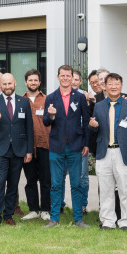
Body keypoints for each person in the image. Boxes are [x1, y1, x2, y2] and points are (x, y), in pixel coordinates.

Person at [0, 72, 35, 231]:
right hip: (0, 150)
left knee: (13, 184)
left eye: (9, 84)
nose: (7, 86)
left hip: (18, 150)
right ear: (0, 85)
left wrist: (29, 151)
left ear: (15, 84)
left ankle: (8, 215)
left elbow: (29, 127)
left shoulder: (24, 102)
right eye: (4, 84)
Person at [42, 65, 91, 228]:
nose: (65, 78)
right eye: (62, 75)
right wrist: (50, 115)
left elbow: (86, 122)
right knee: (56, 184)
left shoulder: (80, 97)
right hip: (56, 146)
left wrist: (86, 143)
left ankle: (78, 219)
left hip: (75, 146)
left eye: (68, 76)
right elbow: (46, 122)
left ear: (72, 78)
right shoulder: (50, 98)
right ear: (58, 77)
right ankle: (54, 218)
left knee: (76, 184)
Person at [89, 72, 127, 229]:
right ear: (105, 86)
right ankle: (108, 221)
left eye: (116, 84)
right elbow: (94, 131)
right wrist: (93, 127)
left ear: (121, 86)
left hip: (123, 153)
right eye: (110, 84)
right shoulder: (98, 106)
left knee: (125, 189)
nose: (113, 87)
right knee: (106, 190)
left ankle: (126, 221)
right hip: (104, 153)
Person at [22, 69, 52, 221]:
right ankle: (33, 210)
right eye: (30, 80)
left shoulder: (47, 100)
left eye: (35, 80)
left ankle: (46, 210)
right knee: (30, 180)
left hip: (45, 145)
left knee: (46, 180)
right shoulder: (20, 101)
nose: (33, 82)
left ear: (39, 82)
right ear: (25, 82)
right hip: (27, 147)